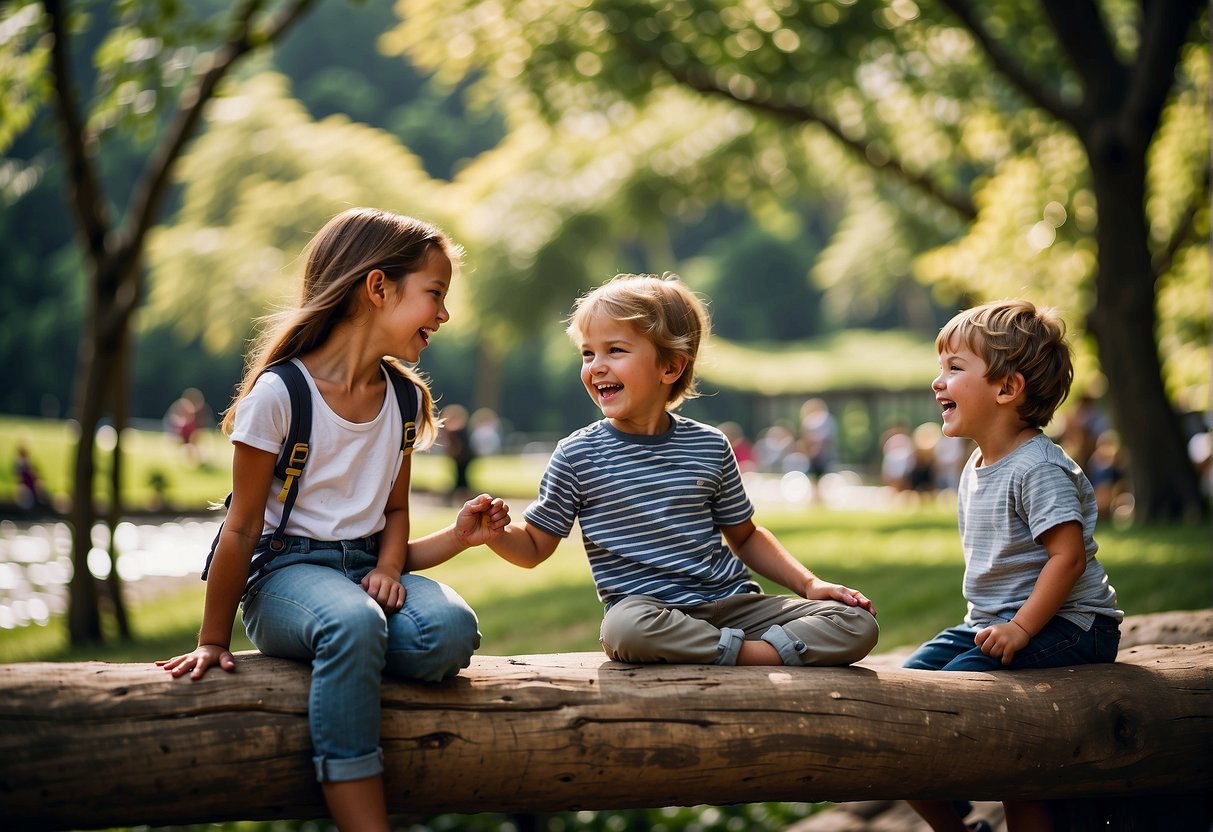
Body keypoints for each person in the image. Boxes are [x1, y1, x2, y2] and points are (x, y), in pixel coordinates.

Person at [157, 208, 509, 832]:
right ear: (378, 288)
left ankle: (346, 650)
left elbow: (393, 513)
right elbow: (240, 528)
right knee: (352, 621)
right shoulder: (279, 396)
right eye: (435, 295)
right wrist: (212, 640)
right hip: (283, 578)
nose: (444, 315)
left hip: (364, 574)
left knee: (450, 630)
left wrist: (408, 558)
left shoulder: (405, 400)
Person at [482, 273, 879, 667]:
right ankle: (760, 655)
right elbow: (534, 547)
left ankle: (740, 652)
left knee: (856, 622)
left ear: (670, 367)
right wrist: (496, 533)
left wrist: (811, 584)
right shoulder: (576, 455)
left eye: (615, 350)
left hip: (734, 606)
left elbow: (746, 537)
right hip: (649, 613)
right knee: (623, 630)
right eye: (588, 354)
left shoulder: (710, 445)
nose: (596, 367)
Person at [904, 300, 1122, 832]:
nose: (938, 382)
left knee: (990, 726)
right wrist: (1002, 626)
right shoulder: (977, 463)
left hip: (1071, 625)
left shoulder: (1038, 466)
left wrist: (1021, 628)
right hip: (992, 623)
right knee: (904, 697)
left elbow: (1066, 558)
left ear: (1007, 389)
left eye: (955, 369)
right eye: (941, 367)